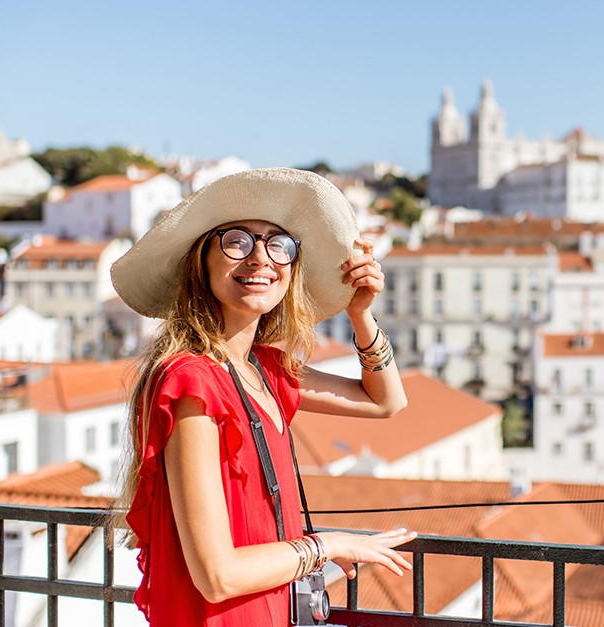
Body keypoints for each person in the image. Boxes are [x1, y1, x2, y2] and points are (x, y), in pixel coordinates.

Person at [111, 168, 415, 625]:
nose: (260, 259)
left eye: (279, 244)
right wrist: (327, 545)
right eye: (237, 242)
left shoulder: (265, 369)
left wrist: (360, 313)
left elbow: (386, 402)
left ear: (291, 269)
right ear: (201, 262)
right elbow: (218, 576)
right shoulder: (191, 380)